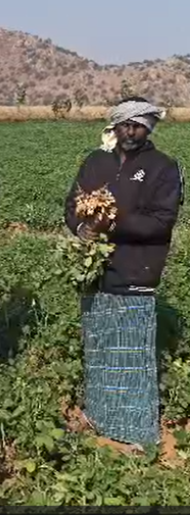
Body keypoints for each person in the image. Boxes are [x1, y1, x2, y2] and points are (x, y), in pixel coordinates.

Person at [64, 95, 184, 450]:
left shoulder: (163, 167)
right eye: (124, 124)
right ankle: (99, 418)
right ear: (114, 126)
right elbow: (73, 203)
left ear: (148, 128)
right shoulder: (95, 161)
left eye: (138, 126)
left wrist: (110, 224)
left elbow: (161, 223)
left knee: (131, 357)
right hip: (96, 273)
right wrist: (81, 228)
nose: (130, 131)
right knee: (99, 349)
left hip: (135, 272)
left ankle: (135, 433)